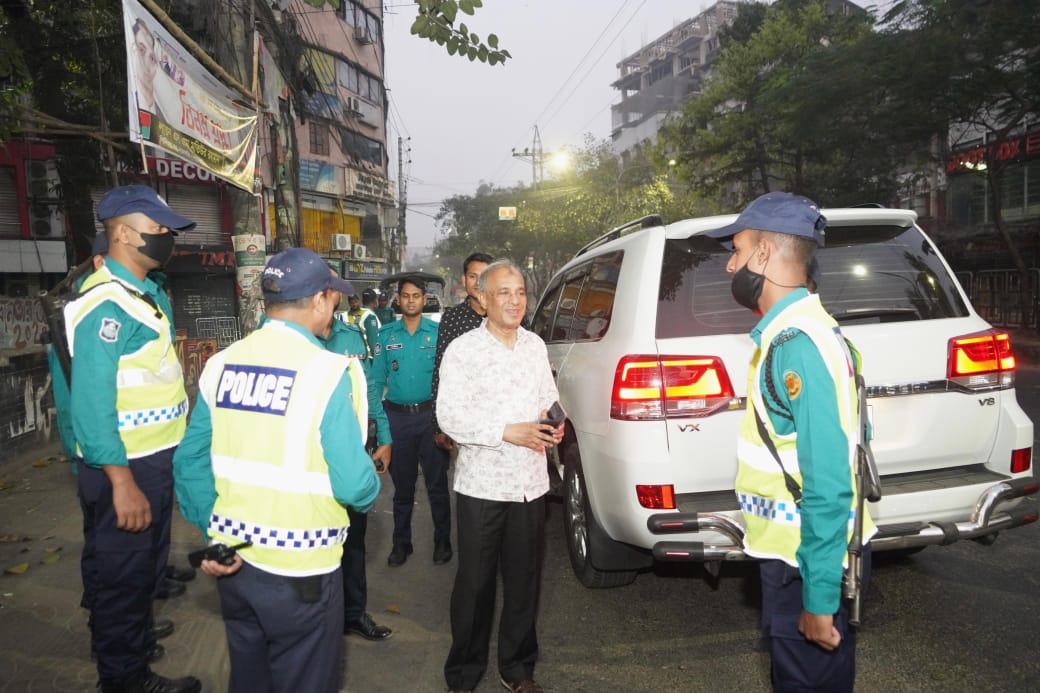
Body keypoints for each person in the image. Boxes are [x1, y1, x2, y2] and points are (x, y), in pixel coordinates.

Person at [173, 248, 380, 693]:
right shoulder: (326, 372)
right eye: (334, 298)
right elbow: (354, 484)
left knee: (250, 678)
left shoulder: (221, 364)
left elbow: (188, 462)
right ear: (322, 299)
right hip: (302, 572)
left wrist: (214, 531)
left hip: (234, 564)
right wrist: (370, 482)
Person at [705, 191, 875, 693]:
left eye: (735, 250)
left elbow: (829, 477)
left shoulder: (797, 345)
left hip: (806, 562)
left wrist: (820, 596)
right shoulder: (803, 333)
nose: (729, 265)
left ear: (762, 255)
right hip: (796, 556)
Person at [64, 185, 200, 693]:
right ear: (122, 233)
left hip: (153, 460)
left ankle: (134, 650)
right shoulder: (106, 303)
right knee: (123, 579)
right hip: (126, 466)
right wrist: (121, 481)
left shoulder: (139, 294)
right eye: (159, 230)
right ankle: (125, 680)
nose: (166, 240)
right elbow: (92, 403)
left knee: (142, 572)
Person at [437, 260, 563, 693]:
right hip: (482, 487)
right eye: (505, 292)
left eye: (521, 292)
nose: (515, 300)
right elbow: (449, 416)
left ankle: (518, 668)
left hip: (530, 484)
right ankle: (463, 674)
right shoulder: (463, 351)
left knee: (525, 582)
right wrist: (506, 431)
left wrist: (553, 421)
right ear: (483, 299)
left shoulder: (534, 346)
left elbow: (548, 397)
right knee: (475, 585)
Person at [320, 277, 394, 642]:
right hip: (307, 457)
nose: (335, 297)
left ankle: (353, 613)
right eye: (329, 289)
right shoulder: (285, 340)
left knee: (354, 537)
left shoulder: (350, 337)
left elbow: (367, 391)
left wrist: (385, 435)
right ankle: (323, 619)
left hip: (351, 447)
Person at [368, 275, 451, 567]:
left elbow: (448, 380)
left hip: (430, 418)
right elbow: (376, 382)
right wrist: (378, 425)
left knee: (437, 485)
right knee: (402, 489)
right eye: (406, 295)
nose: (411, 300)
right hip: (397, 419)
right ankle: (401, 543)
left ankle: (443, 540)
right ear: (398, 300)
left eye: (416, 295)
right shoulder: (386, 335)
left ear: (424, 299)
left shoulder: (438, 333)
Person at [430, 252, 493, 451]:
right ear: (464, 279)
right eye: (473, 276)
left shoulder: (507, 315)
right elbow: (441, 370)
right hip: (465, 421)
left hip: (504, 415)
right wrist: (438, 424)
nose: (478, 282)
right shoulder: (452, 319)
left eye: (484, 277)